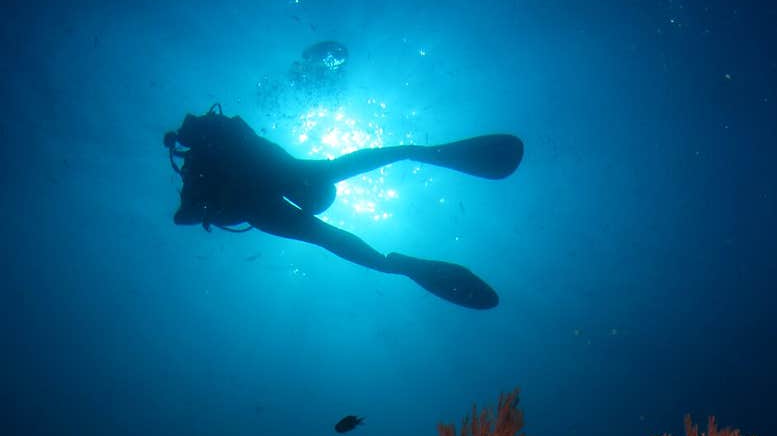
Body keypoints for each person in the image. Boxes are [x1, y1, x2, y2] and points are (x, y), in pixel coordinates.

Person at [164, 104, 523, 309]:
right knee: (334, 175)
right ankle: (416, 152)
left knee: (324, 234)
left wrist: (201, 200)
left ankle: (393, 265)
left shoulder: (196, 168)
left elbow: (186, 216)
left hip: (260, 201)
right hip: (277, 179)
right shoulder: (214, 145)